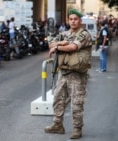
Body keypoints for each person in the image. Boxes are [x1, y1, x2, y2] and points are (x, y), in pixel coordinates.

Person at [44, 9, 93, 139]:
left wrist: (58, 47)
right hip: (63, 73)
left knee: (76, 103)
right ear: (68, 20)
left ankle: (77, 129)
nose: (73, 21)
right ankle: (57, 125)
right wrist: (60, 43)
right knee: (58, 100)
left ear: (80, 21)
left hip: (77, 75)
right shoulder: (64, 34)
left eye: (75, 19)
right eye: (70, 19)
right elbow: (50, 44)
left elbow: (73, 48)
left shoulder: (84, 34)